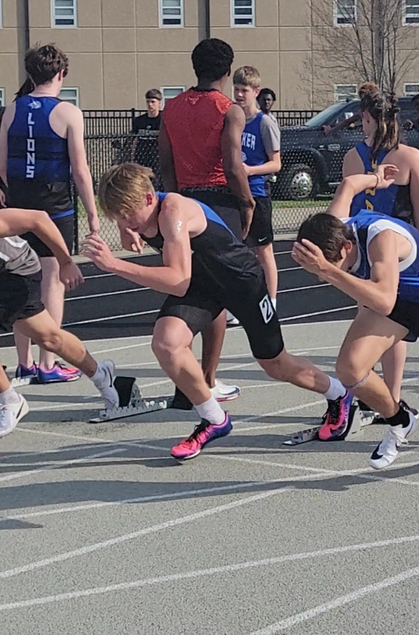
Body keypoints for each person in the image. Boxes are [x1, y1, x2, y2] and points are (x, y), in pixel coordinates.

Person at [83, 163, 352, 462]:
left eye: (127, 216)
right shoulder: (139, 209)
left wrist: (114, 265)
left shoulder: (172, 212)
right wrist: (125, 228)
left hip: (241, 282)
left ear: (148, 199)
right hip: (204, 285)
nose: (126, 223)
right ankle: (214, 418)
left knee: (275, 364)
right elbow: (183, 278)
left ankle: (338, 393)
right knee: (166, 343)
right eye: (118, 217)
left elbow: (177, 280)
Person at [293, 164, 419, 470]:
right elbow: (349, 185)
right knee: (350, 369)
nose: (324, 275)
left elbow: (385, 298)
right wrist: (377, 179)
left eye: (331, 266)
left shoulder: (381, 237)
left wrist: (327, 271)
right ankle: (401, 420)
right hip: (396, 304)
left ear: (347, 247)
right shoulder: (334, 224)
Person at [158, 38, 256, 405]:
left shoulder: (172, 107)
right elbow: (232, 167)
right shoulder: (229, 109)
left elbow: (166, 164)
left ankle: (188, 377)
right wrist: (247, 204)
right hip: (218, 202)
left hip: (183, 198)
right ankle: (207, 379)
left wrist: (172, 203)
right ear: (228, 72)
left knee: (191, 284)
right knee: (219, 291)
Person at [0, 44, 100, 384]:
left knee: (18, 281)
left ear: (30, 75)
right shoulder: (69, 112)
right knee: (52, 283)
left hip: (16, 204)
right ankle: (47, 364)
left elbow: (1, 164)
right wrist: (93, 215)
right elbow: (80, 170)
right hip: (54, 207)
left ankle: (24, 362)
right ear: (61, 74)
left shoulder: (12, 110)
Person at [336, 86, 419, 437]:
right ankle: (390, 396)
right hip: (399, 253)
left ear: (369, 118)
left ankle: (371, 397)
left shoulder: (352, 158)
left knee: (367, 318)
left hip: (361, 252)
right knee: (395, 326)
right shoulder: (411, 157)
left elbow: (344, 210)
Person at [0, 207, 118, 437]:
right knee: (49, 338)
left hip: (16, 272)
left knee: (48, 338)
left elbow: (39, 218)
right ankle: (100, 374)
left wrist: (65, 262)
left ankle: (10, 401)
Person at [233, 66, 281, 310]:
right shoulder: (232, 119)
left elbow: (276, 163)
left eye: (244, 90)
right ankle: (241, 303)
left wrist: (250, 170)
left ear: (256, 92)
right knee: (237, 252)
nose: (239, 95)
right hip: (235, 194)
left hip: (258, 193)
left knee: (263, 251)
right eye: (237, 89)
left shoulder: (264, 123)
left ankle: (271, 302)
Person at [130, 89, 162, 169]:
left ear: (159, 103)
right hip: (142, 158)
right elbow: (133, 140)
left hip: (158, 158)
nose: (150, 104)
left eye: (153, 102)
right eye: (148, 102)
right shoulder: (139, 121)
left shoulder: (164, 120)